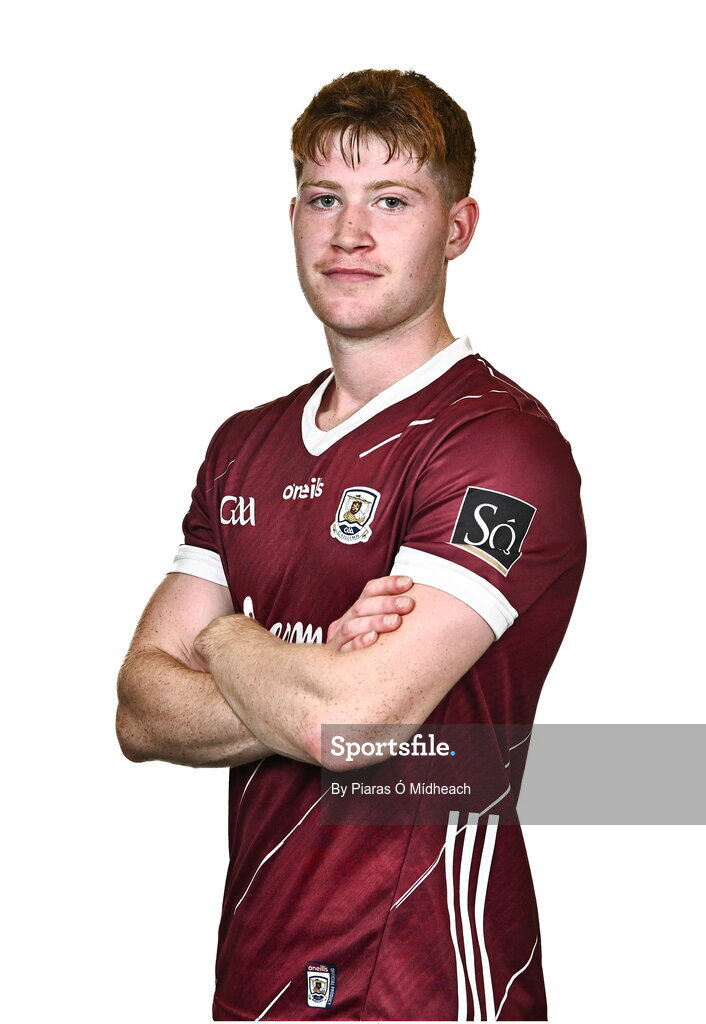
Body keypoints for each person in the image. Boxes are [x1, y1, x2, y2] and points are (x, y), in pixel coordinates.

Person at [117, 69, 586, 1021]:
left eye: (393, 201)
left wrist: (224, 639)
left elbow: (352, 726)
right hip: (254, 966)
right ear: (293, 215)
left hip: (424, 975)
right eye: (325, 199)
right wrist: (314, 668)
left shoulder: (496, 442)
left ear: (456, 228)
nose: (351, 234)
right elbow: (137, 710)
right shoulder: (243, 444)